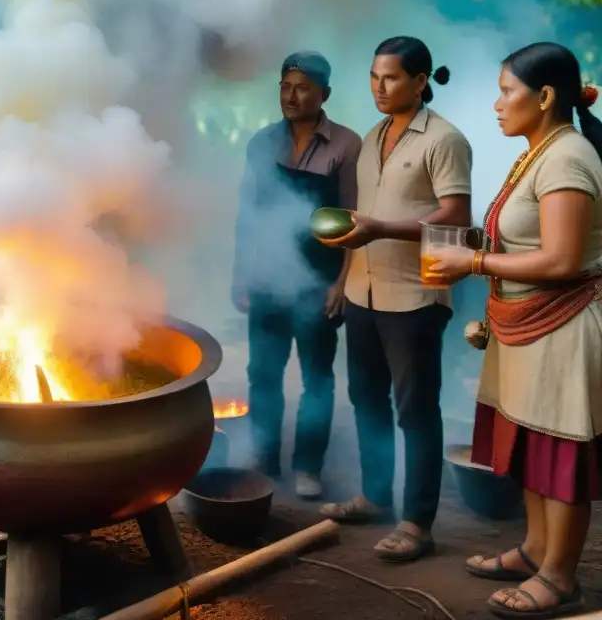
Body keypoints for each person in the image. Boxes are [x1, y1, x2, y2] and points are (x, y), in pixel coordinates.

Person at [428, 43, 602, 618]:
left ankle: (559, 577)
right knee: (530, 443)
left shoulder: (567, 158)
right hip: (525, 326)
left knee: (559, 451)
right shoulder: (539, 151)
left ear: (546, 97)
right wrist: (476, 248)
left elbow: (562, 261)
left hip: (565, 326)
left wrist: (473, 264)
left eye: (507, 91)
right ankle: (534, 551)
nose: (498, 103)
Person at [317, 36, 472, 562]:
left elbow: (455, 216)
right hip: (364, 290)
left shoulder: (444, 140)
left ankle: (416, 523)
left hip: (415, 297)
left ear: (421, 80)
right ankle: (375, 497)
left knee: (416, 411)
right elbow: (362, 215)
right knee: (366, 400)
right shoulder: (372, 135)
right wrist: (343, 270)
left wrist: (381, 228)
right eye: (374, 77)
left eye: (391, 78)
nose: (379, 88)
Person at [231, 51, 362, 500]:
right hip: (267, 278)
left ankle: (309, 466)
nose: (291, 95)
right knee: (261, 373)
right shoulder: (262, 143)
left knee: (317, 378)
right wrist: (240, 276)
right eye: (285, 86)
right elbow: (247, 216)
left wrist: (343, 283)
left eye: (303, 87)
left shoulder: (346, 146)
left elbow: (353, 221)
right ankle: (264, 458)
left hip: (318, 283)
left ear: (324, 93)